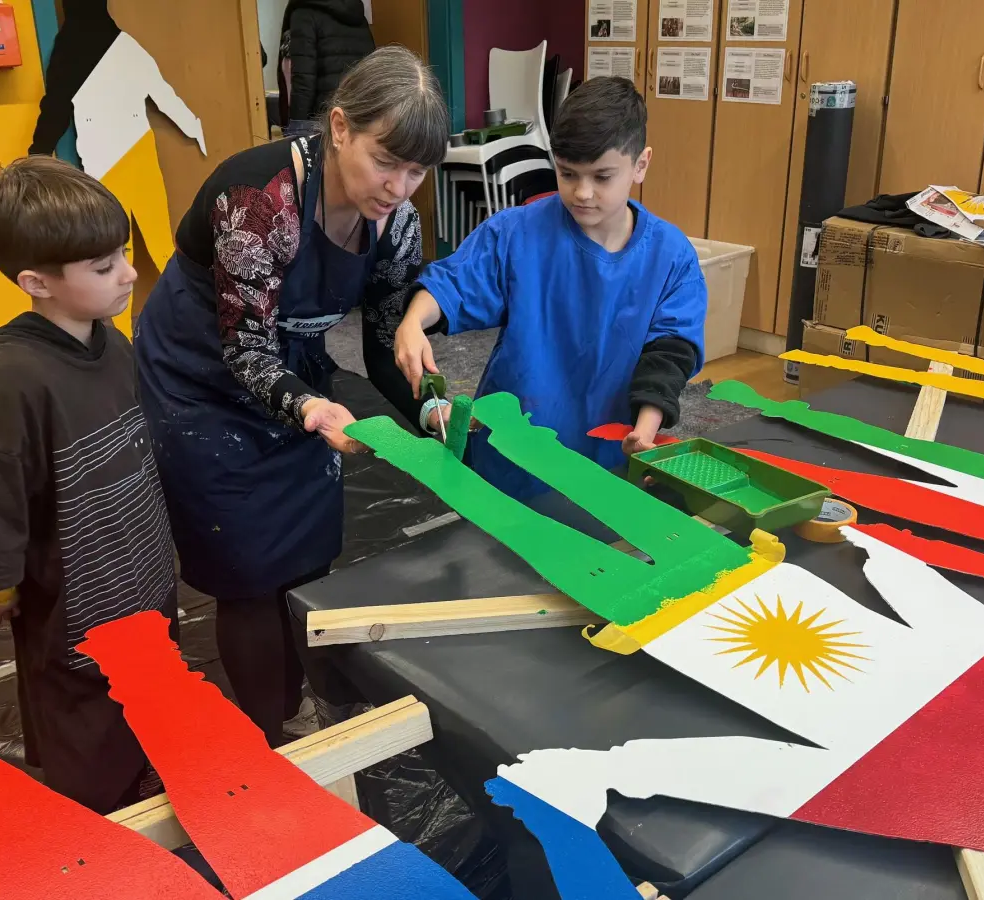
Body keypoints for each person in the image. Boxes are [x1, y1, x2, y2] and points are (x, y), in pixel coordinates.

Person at [134, 46, 445, 747]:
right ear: (339, 127)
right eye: (385, 161)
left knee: (306, 551)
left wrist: (430, 411)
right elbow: (245, 348)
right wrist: (310, 408)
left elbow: (383, 343)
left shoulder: (396, 221)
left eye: (417, 171)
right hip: (200, 376)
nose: (399, 188)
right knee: (247, 569)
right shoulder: (260, 199)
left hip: (293, 364)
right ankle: (267, 731)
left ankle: (303, 701)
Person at [0, 156, 178, 815]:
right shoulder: (18, 380)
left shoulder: (111, 342)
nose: (129, 273)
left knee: (148, 705)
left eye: (122, 254)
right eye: (103, 267)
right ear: (36, 283)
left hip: (140, 579)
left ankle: (145, 783)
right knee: (91, 748)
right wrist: (2, 584)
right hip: (79, 609)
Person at [394, 77, 707, 499]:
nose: (582, 193)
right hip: (511, 460)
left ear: (641, 164)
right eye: (567, 173)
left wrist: (644, 432)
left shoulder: (671, 256)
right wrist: (414, 321)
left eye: (602, 176)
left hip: (609, 461)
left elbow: (669, 354)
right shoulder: (517, 233)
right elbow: (454, 284)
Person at [278, 0, 376, 131]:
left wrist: (297, 127)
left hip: (324, 120)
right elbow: (372, 67)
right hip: (360, 114)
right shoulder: (357, 14)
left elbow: (303, 80)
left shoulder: (304, 14)